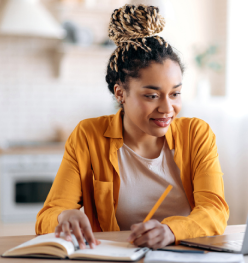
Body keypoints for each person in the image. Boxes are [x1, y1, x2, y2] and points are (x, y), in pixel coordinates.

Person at [35, 4, 229, 250]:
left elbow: (215, 210)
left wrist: (171, 231)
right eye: (151, 96)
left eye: (175, 94)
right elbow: (46, 217)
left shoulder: (197, 134)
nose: (167, 108)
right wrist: (64, 216)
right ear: (120, 93)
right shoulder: (88, 136)